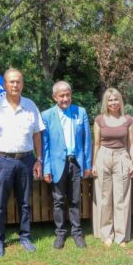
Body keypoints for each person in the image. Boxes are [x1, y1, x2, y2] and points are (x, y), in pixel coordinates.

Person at [0, 68, 45, 258]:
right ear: (4, 85)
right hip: (2, 160)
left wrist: (39, 159)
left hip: (26, 159)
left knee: (25, 203)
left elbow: (37, 134)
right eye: (11, 82)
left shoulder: (30, 105)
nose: (15, 85)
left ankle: (25, 236)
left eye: (18, 81)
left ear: (22, 84)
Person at [41, 81, 92, 249]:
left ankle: (77, 233)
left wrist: (87, 165)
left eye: (67, 95)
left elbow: (86, 142)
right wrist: (46, 168)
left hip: (76, 163)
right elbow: (45, 145)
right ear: (55, 97)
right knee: (58, 201)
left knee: (75, 200)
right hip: (56, 164)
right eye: (61, 95)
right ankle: (60, 234)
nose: (65, 98)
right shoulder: (47, 116)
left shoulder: (81, 112)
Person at [92, 88, 133, 246]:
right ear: (106, 102)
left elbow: (131, 144)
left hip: (122, 157)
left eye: (116, 99)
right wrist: (94, 164)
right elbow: (96, 144)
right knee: (105, 198)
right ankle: (107, 234)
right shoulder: (99, 120)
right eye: (110, 100)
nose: (113, 103)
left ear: (120, 101)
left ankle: (121, 235)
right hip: (103, 156)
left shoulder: (128, 120)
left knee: (121, 199)